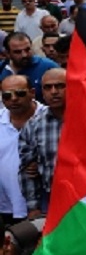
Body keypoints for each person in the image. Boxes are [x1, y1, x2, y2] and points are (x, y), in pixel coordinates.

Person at [18, 68, 66, 218]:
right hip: (52, 199)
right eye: (48, 87)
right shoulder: (33, 125)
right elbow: (27, 170)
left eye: (60, 86)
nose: (54, 92)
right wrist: (33, 207)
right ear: (42, 92)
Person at [0, 75, 44, 224]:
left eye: (20, 93)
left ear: (32, 92)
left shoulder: (50, 118)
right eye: (7, 96)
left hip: (45, 204)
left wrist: (43, 165)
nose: (13, 99)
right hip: (6, 207)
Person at [0, 33, 60, 102]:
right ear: (7, 53)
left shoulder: (48, 67)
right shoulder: (2, 68)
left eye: (27, 50)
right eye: (17, 52)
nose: (24, 55)